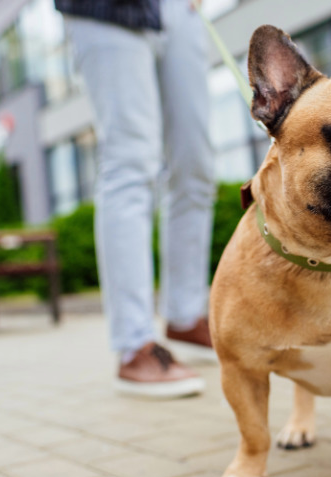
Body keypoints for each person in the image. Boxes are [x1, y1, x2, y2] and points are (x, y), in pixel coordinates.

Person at [55, 0, 215, 398]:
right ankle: (134, 345)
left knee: (197, 166)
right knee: (130, 160)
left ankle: (186, 314)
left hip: (178, 10)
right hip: (104, 10)